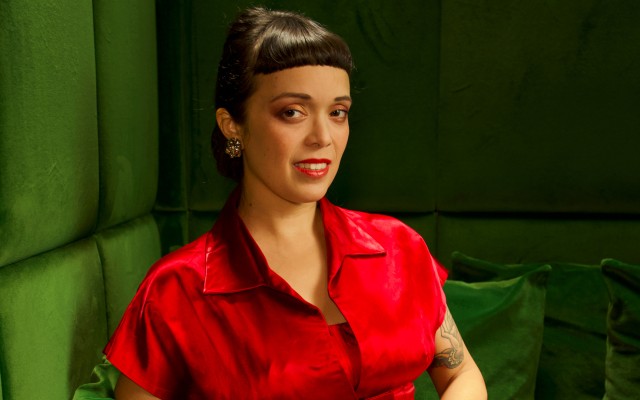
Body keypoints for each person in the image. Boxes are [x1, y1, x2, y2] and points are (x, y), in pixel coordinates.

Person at [105, 6, 487, 399]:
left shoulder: (399, 248)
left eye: (337, 112)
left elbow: (461, 374)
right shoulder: (176, 290)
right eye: (292, 112)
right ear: (232, 126)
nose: (322, 136)